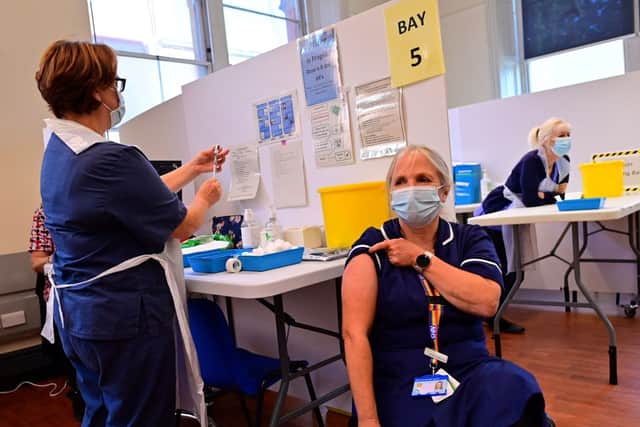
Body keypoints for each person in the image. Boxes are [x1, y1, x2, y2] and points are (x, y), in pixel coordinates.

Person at [35, 40, 229, 427]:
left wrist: (192, 169)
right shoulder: (111, 159)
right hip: (124, 319)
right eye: (114, 84)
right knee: (142, 417)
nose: (116, 94)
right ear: (97, 91)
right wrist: (206, 197)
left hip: (81, 318)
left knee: (104, 412)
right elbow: (183, 225)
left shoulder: (60, 153)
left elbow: (132, 194)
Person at [342, 145, 549, 427]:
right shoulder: (373, 246)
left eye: (423, 179)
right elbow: (354, 334)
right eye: (400, 181)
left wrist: (419, 258)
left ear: (443, 191)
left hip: (466, 367)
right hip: (398, 375)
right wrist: (367, 419)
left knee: (516, 387)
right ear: (390, 194)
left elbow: (487, 301)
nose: (410, 188)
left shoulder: (469, 238)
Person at [478, 118, 572, 333]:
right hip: (498, 213)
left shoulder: (563, 160)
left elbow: (562, 193)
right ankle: (493, 317)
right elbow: (533, 198)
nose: (567, 140)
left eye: (568, 135)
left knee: (516, 269)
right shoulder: (532, 160)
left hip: (517, 215)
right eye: (562, 135)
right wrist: (549, 194)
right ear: (547, 140)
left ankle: (493, 315)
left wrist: (545, 194)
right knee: (506, 270)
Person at [28, 205, 85, 420]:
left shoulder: (102, 203)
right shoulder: (46, 213)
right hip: (66, 298)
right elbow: (37, 263)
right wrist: (66, 259)